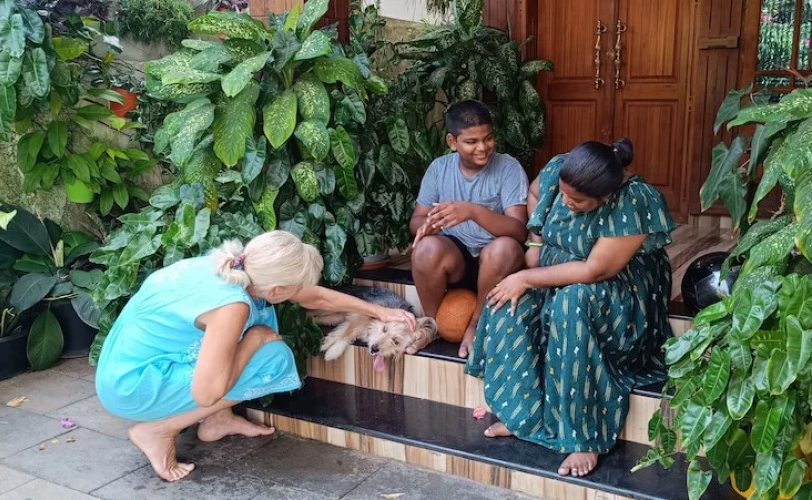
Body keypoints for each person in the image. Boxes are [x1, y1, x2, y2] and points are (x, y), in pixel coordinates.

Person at [95, 231, 417, 482]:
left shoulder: (236, 266)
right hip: (133, 386)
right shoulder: (232, 306)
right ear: (276, 290)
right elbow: (206, 392)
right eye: (295, 287)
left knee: (243, 341)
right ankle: (160, 430)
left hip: (123, 367)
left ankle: (217, 420)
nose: (302, 291)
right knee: (272, 357)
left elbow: (314, 297)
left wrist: (377, 310)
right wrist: (255, 339)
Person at [465, 138, 676, 477]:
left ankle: (584, 437)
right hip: (555, 275)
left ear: (605, 197)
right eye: (564, 194)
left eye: (576, 201)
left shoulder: (634, 200)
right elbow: (536, 193)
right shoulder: (562, 171)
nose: (564, 202)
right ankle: (522, 417)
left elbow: (595, 270)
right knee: (506, 302)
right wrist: (535, 241)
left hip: (616, 291)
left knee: (571, 305)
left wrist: (527, 278)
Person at [408, 100, 529, 358]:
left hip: (497, 265)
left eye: (488, 138)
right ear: (452, 142)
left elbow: (520, 231)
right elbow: (416, 221)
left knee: (504, 248)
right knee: (425, 248)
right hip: (457, 261)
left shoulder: (508, 168)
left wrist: (473, 211)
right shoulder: (439, 168)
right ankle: (431, 325)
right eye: (472, 142)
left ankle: (477, 326)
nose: (483, 147)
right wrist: (429, 224)